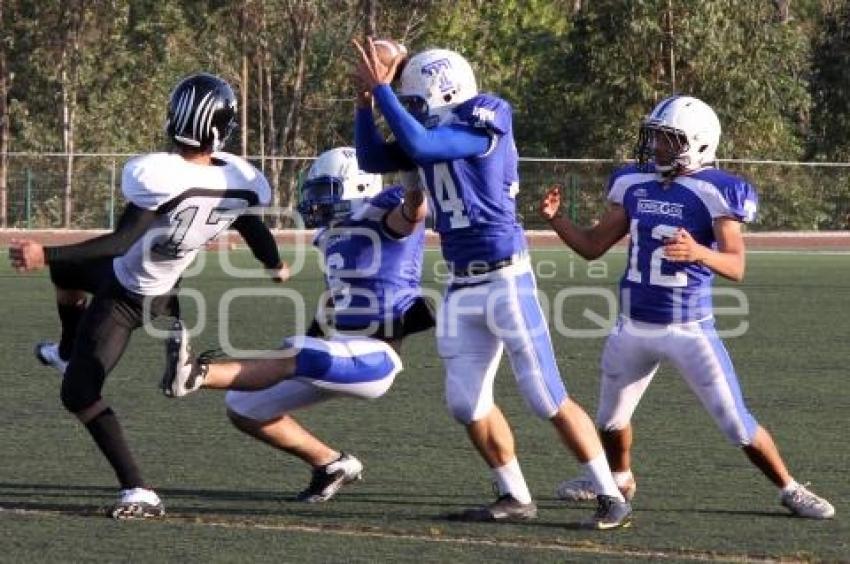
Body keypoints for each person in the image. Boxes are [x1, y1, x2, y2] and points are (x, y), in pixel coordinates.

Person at [351, 38, 632, 529]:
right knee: (465, 403)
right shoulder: (432, 132)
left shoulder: (487, 117)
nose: (411, 107)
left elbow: (420, 145)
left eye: (417, 98)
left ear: (445, 91)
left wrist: (383, 87)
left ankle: (610, 495)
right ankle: (514, 494)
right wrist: (365, 102)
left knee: (545, 395)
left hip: (506, 278)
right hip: (460, 283)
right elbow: (374, 158)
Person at [542, 95, 835, 520]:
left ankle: (790, 488)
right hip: (633, 325)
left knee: (736, 423)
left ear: (697, 144)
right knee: (608, 422)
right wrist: (557, 221)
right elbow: (592, 246)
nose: (657, 146)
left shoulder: (716, 190)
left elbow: (735, 265)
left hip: (688, 327)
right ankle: (619, 480)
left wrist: (699, 251)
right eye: (656, 137)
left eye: (668, 139)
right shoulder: (633, 183)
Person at [7, 72, 285, 519]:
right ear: (222, 127)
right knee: (68, 270)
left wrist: (43, 252)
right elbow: (252, 224)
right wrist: (273, 263)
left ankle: (139, 489)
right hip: (162, 285)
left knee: (78, 394)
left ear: (174, 117)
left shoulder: (159, 174)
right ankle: (65, 349)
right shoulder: (242, 180)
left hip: (128, 295)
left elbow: (120, 241)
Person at [161, 146, 434, 503]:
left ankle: (197, 373)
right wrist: (315, 335)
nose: (318, 201)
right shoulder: (333, 236)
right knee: (244, 406)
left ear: (360, 188)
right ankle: (331, 464)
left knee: (296, 352)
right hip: (337, 351)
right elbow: (335, 298)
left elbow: (415, 209)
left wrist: (410, 173)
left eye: (328, 191)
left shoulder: (385, 216)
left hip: (375, 359)